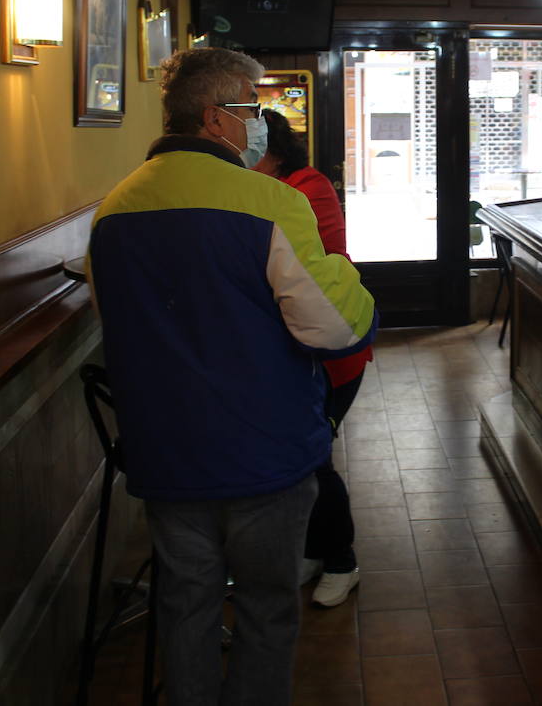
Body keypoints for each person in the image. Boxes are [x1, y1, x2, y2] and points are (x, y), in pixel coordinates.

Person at [87, 48, 377, 706]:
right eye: (252, 107)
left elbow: (117, 325)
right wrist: (352, 279)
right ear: (216, 118)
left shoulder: (113, 210)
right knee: (266, 611)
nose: (260, 122)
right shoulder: (268, 202)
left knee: (185, 608)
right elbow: (333, 327)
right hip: (261, 455)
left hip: (165, 455)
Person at [255, 109, 371, 608]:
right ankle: (313, 550)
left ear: (274, 152)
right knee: (302, 459)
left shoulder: (308, 187)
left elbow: (312, 268)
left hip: (331, 353)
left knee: (314, 458)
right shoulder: (263, 190)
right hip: (291, 353)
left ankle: (342, 561)